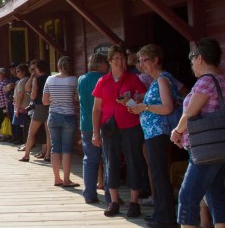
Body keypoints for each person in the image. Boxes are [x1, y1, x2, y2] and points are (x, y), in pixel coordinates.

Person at [167, 38, 225, 228]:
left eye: (192, 61)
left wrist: (177, 132)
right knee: (216, 195)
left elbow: (190, 114)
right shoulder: (222, 80)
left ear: (200, 58)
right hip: (219, 147)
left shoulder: (205, 83)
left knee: (187, 195)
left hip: (204, 151)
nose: (192, 66)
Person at [92, 45, 148, 218]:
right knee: (111, 162)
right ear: (109, 61)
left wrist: (132, 100)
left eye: (122, 58)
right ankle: (114, 201)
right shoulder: (103, 81)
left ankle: (133, 202)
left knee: (134, 161)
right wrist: (95, 132)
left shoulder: (133, 79)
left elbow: (144, 99)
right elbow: (96, 109)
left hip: (130, 125)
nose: (120, 61)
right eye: (116, 58)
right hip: (109, 127)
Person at [129, 44, 179, 228]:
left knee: (159, 174)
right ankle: (160, 212)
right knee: (156, 174)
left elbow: (167, 107)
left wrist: (145, 107)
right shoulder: (157, 80)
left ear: (156, 60)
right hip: (153, 133)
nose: (142, 65)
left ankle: (165, 217)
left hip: (159, 133)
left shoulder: (162, 80)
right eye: (140, 61)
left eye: (145, 60)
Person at [78, 53, 109, 204]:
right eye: (106, 63)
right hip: (104, 123)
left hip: (86, 124)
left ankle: (89, 194)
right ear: (100, 64)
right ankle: (110, 195)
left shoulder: (81, 79)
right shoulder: (104, 79)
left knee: (90, 160)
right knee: (108, 159)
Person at [43, 56, 79, 187]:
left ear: (58, 66)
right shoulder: (74, 80)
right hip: (68, 116)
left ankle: (57, 178)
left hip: (53, 116)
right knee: (67, 149)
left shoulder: (50, 79)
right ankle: (66, 179)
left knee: (55, 148)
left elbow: (45, 101)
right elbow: (76, 98)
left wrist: (54, 99)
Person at [19, 59, 50, 161]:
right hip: (50, 106)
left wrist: (32, 96)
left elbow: (33, 94)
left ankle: (26, 154)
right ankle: (48, 154)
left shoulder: (37, 79)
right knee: (48, 132)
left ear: (38, 68)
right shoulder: (50, 78)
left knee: (31, 132)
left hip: (39, 106)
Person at [12, 64, 31, 146]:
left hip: (22, 107)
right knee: (24, 126)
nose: (16, 73)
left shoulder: (22, 81)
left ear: (24, 71)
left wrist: (18, 108)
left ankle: (24, 142)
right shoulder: (27, 80)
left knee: (22, 126)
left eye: (18, 71)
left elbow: (20, 95)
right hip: (26, 107)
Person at [0, 68, 9, 141]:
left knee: (4, 120)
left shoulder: (5, 82)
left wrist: (6, 106)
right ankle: (1, 135)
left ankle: (5, 135)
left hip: (3, 105)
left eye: (0, 73)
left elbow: (6, 95)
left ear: (4, 74)